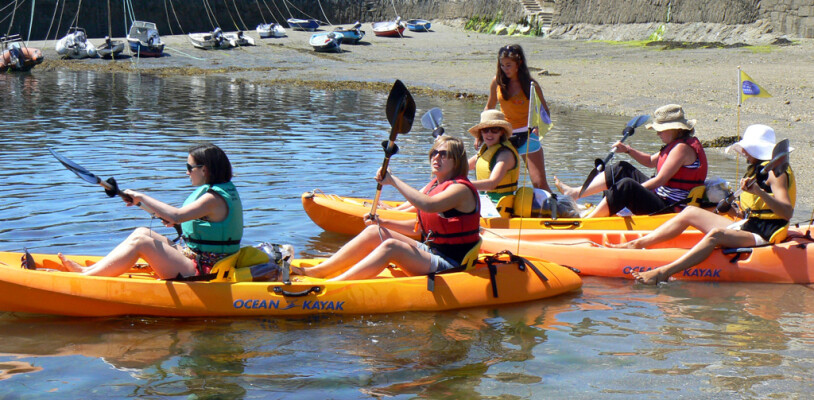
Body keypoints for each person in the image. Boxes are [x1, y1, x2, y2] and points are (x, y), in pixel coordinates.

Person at [614, 125, 795, 284]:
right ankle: (637, 245)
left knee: (715, 235)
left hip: (766, 233)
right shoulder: (759, 168)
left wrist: (758, 192)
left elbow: (787, 212)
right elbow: (755, 208)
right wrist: (735, 208)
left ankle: (662, 272)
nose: (744, 152)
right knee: (690, 212)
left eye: (747, 148)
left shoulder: (775, 173)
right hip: (750, 224)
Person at [294, 136, 480, 281]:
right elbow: (420, 226)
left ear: (456, 161)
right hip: (432, 251)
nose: (436, 157)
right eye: (434, 152)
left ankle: (336, 284)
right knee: (375, 231)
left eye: (444, 154)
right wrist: (382, 222)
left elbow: (428, 205)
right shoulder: (435, 184)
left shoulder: (460, 189)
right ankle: (317, 272)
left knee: (391, 247)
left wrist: (393, 181)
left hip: (451, 264)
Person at [59, 143, 243, 279]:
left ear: (203, 170)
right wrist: (170, 219)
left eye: (189, 168)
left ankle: (87, 278)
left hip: (206, 270)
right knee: (142, 232)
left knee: (142, 242)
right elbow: (179, 219)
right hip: (196, 257)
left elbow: (176, 216)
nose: (187, 172)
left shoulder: (213, 198)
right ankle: (90, 271)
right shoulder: (220, 191)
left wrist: (142, 197)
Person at [555, 104, 708, 218]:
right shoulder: (676, 144)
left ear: (675, 129)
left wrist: (632, 190)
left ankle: (589, 220)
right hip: (661, 198)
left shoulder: (681, 149)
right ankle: (576, 193)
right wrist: (628, 150)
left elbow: (659, 180)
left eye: (660, 130)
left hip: (670, 209)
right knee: (622, 168)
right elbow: (650, 161)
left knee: (626, 185)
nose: (657, 134)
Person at [485, 44, 552, 192]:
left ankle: (557, 210)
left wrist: (537, 126)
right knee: (498, 182)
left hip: (528, 136)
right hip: (505, 136)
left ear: (519, 63)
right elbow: (489, 108)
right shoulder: (497, 82)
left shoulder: (530, 85)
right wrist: (480, 135)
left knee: (539, 183)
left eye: (509, 65)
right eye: (502, 65)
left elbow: (545, 111)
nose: (505, 69)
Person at [467, 109, 519, 203]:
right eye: (485, 130)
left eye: (495, 129)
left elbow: (492, 184)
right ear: (481, 132)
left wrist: (461, 184)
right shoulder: (484, 152)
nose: (489, 134)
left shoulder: (505, 155)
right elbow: (461, 167)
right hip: (484, 201)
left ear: (501, 132)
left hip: (500, 204)